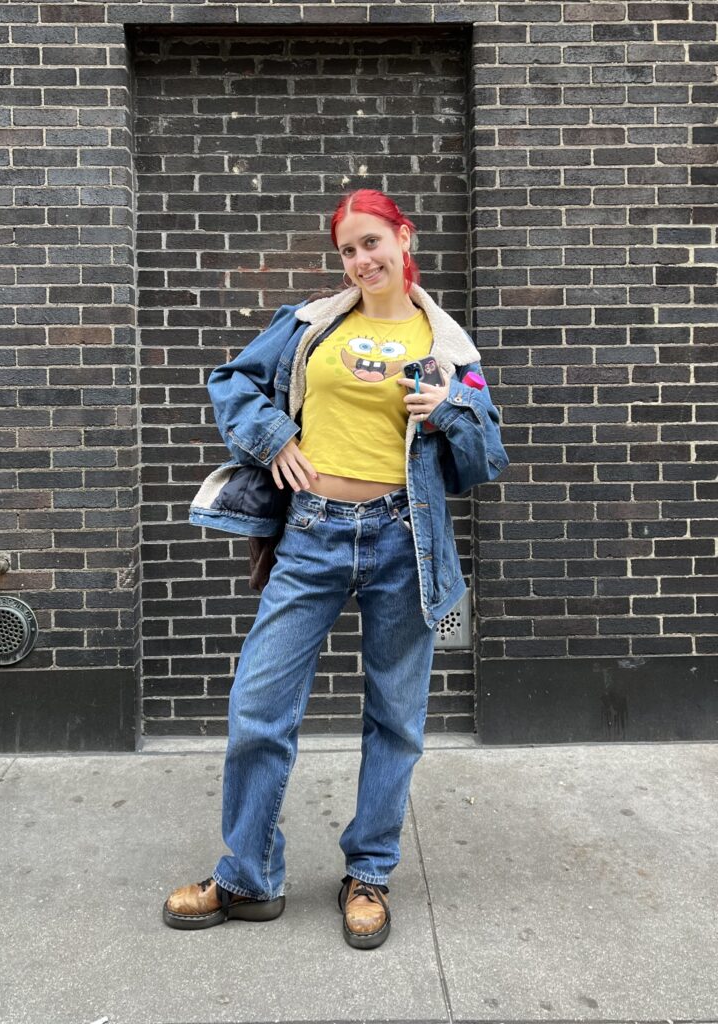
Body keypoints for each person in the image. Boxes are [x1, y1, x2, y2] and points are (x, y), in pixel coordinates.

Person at [163, 189, 509, 949]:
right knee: (258, 706)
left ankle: (371, 873)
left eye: (372, 242)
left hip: (403, 539)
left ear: (402, 237)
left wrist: (450, 408)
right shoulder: (311, 324)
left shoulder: (449, 345)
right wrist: (269, 435)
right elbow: (233, 380)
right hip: (312, 534)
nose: (361, 261)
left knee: (395, 718)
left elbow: (486, 457)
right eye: (348, 250)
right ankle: (247, 876)